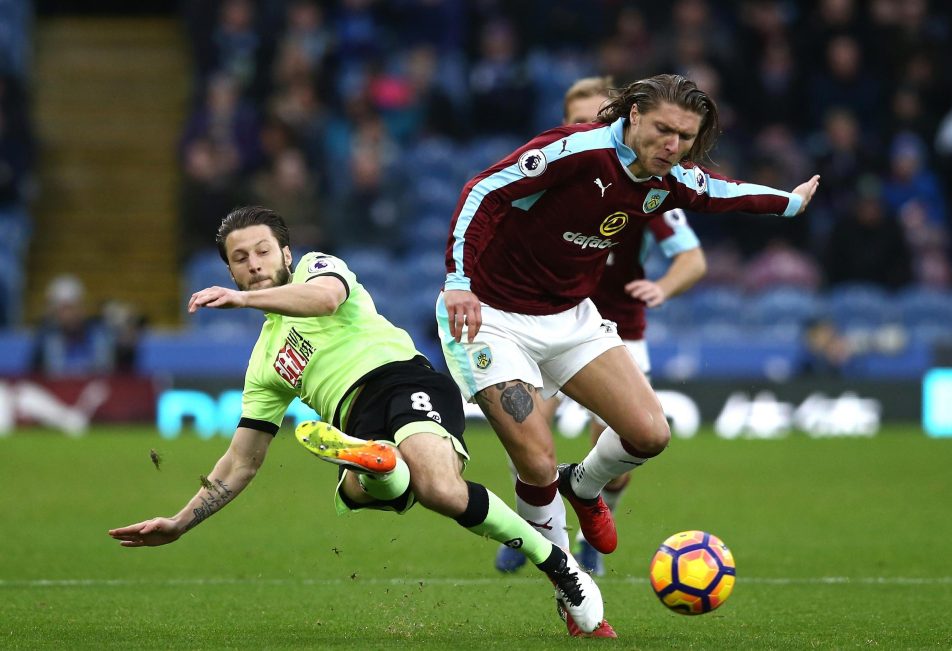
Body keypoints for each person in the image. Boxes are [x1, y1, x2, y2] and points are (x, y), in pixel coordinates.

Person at [107, 207, 604, 635]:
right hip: (356, 418)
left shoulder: (317, 269)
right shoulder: (263, 364)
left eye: (262, 251)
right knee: (368, 485)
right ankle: (380, 465)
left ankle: (558, 564)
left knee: (439, 490)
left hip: (407, 384)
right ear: (232, 271)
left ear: (285, 253)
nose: (254, 265)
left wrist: (242, 301)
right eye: (240, 260)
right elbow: (241, 461)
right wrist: (179, 522)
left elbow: (324, 300)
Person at [438, 74, 819, 620]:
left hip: (570, 319)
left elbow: (719, 192)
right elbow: (482, 191)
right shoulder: (574, 151)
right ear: (633, 114)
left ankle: (585, 484)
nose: (674, 145)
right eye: (664, 130)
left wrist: (789, 204)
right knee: (536, 460)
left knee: (649, 433)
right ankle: (573, 594)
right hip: (494, 319)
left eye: (685, 137)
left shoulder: (669, 179)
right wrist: (458, 280)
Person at [492, 77, 708, 578]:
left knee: (617, 438)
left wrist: (664, 287)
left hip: (615, 325)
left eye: (599, 117)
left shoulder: (645, 180)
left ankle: (590, 531)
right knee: (529, 431)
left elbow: (692, 258)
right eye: (580, 119)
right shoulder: (557, 167)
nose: (591, 127)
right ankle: (534, 534)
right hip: (538, 315)